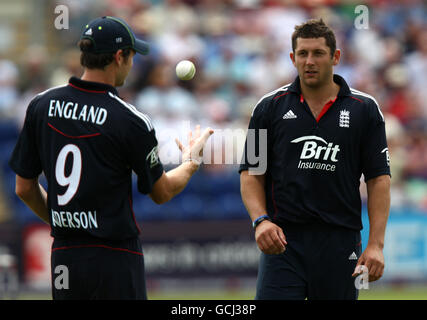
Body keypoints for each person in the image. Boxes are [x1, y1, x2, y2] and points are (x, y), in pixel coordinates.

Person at [9, 16, 213, 300]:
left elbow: (23, 187)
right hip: (114, 258)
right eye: (131, 57)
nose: (132, 65)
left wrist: (63, 223)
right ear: (119, 57)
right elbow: (162, 192)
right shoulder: (130, 120)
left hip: (64, 256)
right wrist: (191, 162)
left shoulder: (41, 105)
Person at [239, 19, 391, 300]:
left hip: (341, 242)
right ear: (292, 58)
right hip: (283, 243)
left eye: (318, 53)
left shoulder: (365, 110)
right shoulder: (268, 108)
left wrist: (376, 245)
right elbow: (251, 172)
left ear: (335, 57)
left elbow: (379, 179)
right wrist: (260, 220)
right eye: (303, 54)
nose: (310, 61)